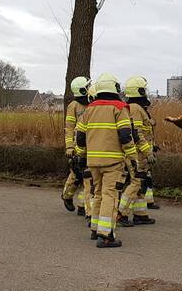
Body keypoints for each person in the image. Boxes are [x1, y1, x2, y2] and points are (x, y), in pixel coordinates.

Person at [74, 73, 138, 248]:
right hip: (113, 162)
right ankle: (106, 235)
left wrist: (81, 156)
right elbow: (126, 136)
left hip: (93, 161)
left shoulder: (88, 110)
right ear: (115, 88)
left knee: (98, 194)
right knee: (110, 195)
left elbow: (79, 137)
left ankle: (95, 229)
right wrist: (133, 158)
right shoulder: (119, 108)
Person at [117, 76, 156, 227]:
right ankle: (121, 213)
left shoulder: (137, 108)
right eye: (144, 89)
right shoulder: (135, 109)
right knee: (135, 183)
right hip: (138, 155)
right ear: (139, 91)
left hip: (142, 154)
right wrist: (148, 152)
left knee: (140, 184)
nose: (146, 92)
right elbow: (137, 133)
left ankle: (140, 214)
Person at [62, 76, 92, 217]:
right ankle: (67, 195)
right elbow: (69, 128)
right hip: (76, 146)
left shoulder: (93, 102)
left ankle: (83, 206)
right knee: (76, 175)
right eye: (87, 86)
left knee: (88, 177)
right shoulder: (73, 106)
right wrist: (69, 147)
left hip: (90, 144)